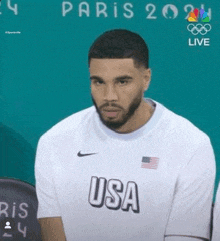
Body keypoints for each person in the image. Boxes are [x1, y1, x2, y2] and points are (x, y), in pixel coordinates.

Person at [35, 29, 216, 241]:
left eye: (122, 82)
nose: (109, 96)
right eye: (99, 82)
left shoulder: (191, 146)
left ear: (146, 79)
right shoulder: (55, 142)